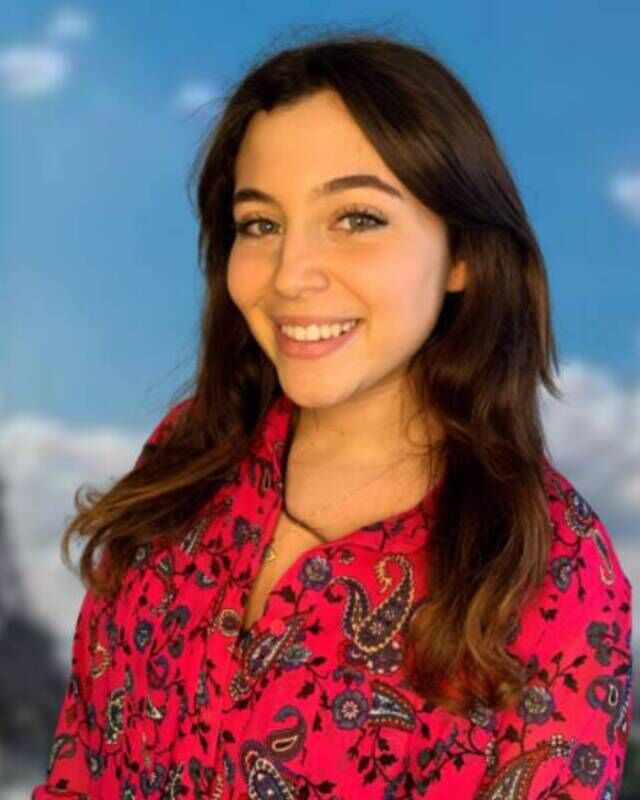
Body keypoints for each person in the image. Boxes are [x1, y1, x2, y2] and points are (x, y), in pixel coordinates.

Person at [32, 30, 632, 799]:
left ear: (462, 254)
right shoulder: (190, 448)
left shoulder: (557, 574)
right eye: (260, 224)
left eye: (356, 218)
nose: (291, 275)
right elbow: (82, 764)